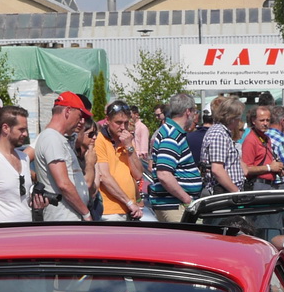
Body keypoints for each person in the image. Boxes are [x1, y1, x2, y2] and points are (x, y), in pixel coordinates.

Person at [34, 92, 95, 222]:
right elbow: (63, 184)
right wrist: (86, 214)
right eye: (79, 116)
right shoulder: (51, 138)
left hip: (69, 217)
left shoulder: (58, 138)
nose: (82, 121)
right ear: (67, 111)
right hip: (64, 220)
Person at [146, 92, 203, 223]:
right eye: (195, 111)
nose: (195, 115)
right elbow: (164, 174)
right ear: (188, 111)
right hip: (175, 206)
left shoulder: (173, 132)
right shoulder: (171, 135)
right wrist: (187, 200)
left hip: (176, 204)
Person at [95, 101, 140, 219]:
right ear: (107, 120)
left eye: (126, 123)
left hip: (129, 210)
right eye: (118, 123)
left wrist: (129, 146)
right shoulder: (100, 140)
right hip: (109, 211)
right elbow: (104, 176)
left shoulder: (127, 140)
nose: (123, 127)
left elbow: (138, 174)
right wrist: (129, 202)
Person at [201, 95, 248, 193]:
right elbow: (217, 170)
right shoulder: (219, 134)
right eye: (239, 117)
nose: (240, 121)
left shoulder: (223, 132)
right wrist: (236, 192)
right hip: (223, 192)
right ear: (231, 118)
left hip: (227, 191)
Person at [241, 105, 284, 190]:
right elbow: (246, 169)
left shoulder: (266, 138)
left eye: (267, 120)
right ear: (253, 121)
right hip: (258, 185)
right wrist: (269, 168)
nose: (265, 123)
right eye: (262, 120)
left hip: (269, 184)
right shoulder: (250, 140)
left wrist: (278, 169)